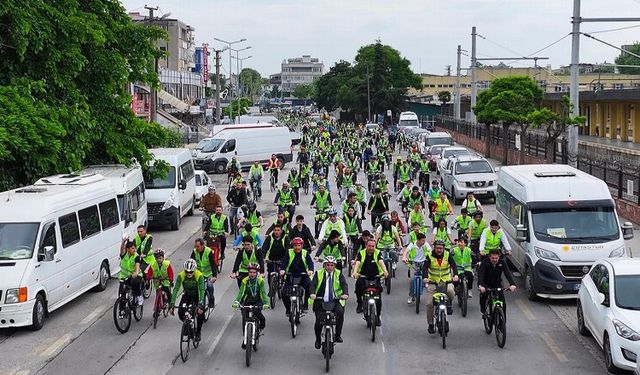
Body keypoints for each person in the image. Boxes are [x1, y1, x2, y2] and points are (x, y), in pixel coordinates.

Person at [309, 256, 349, 348]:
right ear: (324, 265)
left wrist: (345, 294)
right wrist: (312, 293)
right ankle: (318, 339)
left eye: (332, 265)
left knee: (340, 313)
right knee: (319, 320)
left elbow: (344, 285)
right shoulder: (318, 273)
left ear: (334, 266)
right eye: (328, 265)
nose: (330, 267)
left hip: (335, 300)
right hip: (320, 300)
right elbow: (313, 285)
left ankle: (337, 335)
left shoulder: (338, 273)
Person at [423, 240, 459, 334]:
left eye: (441, 248)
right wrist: (425, 278)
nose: (439, 250)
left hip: (446, 280)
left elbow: (453, 265)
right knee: (429, 304)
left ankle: (449, 304)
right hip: (433, 282)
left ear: (443, 248)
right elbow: (425, 268)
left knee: (451, 291)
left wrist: (455, 275)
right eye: (437, 248)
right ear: (434, 248)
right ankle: (431, 323)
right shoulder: (429, 255)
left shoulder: (447, 255)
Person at [232, 262, 269, 348]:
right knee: (245, 318)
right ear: (248, 272)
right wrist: (237, 301)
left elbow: (263, 293)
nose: (252, 274)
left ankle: (260, 327)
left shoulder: (260, 281)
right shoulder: (245, 280)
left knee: (258, 314)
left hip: (257, 301)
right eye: (250, 272)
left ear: (257, 273)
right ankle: (246, 339)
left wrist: (266, 303)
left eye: (254, 272)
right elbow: (241, 293)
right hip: (247, 301)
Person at [353, 239, 389, 323]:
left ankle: (378, 316)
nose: (371, 248)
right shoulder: (361, 253)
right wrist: (355, 272)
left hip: (375, 276)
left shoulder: (378, 253)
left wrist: (385, 271)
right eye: (369, 246)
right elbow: (357, 262)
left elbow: (381, 262)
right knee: (358, 286)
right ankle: (359, 304)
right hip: (363, 276)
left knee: (378, 298)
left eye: (373, 246)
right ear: (366, 246)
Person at [170, 259, 205, 341]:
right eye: (187, 272)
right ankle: (188, 324)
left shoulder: (199, 275)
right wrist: (172, 303)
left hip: (197, 295)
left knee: (200, 314)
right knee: (180, 312)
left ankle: (198, 332)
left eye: (191, 272)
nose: (189, 273)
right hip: (187, 295)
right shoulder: (181, 275)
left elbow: (201, 290)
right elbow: (176, 289)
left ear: (194, 270)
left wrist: (201, 303)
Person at [279, 237, 314, 316]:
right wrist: (282, 270)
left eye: (299, 245)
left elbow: (310, 263)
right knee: (284, 293)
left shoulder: (305, 253)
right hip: (290, 275)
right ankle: (288, 309)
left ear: (302, 246)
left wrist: (310, 270)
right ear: (292, 246)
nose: (297, 247)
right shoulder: (289, 252)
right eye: (295, 245)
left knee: (310, 286)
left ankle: (305, 305)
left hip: (303, 275)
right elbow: (284, 262)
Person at [478, 249, 516, 316]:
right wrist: (481, 285)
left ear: (499, 257)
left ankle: (502, 322)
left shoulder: (502, 262)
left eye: (496, 258)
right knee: (484, 295)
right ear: (489, 257)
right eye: (493, 258)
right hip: (486, 284)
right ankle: (483, 310)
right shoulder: (485, 262)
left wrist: (512, 284)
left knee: (503, 303)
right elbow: (481, 274)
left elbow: (507, 273)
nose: (495, 260)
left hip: (497, 284)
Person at [402, 232, 431, 304]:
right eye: (422, 240)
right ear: (418, 240)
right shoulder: (412, 244)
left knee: (426, 276)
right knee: (412, 280)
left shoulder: (425, 244)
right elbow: (406, 251)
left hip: (423, 263)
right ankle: (411, 296)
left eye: (424, 240)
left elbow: (430, 251)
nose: (424, 242)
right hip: (413, 263)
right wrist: (404, 257)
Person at [191, 238, 218, 308]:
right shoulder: (194, 252)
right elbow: (191, 263)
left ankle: (211, 298)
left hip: (208, 274)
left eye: (198, 246)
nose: (196, 248)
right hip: (198, 274)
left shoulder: (208, 251)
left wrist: (214, 276)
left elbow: (213, 264)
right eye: (195, 246)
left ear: (203, 245)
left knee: (209, 286)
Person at [119, 240, 143, 306]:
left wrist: (136, 273)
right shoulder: (124, 255)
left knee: (136, 283)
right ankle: (122, 312)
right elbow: (121, 250)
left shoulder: (136, 256)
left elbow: (137, 266)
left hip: (135, 276)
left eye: (134, 248)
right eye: (132, 248)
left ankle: (139, 296)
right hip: (124, 276)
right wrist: (123, 242)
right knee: (122, 294)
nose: (134, 250)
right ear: (127, 249)